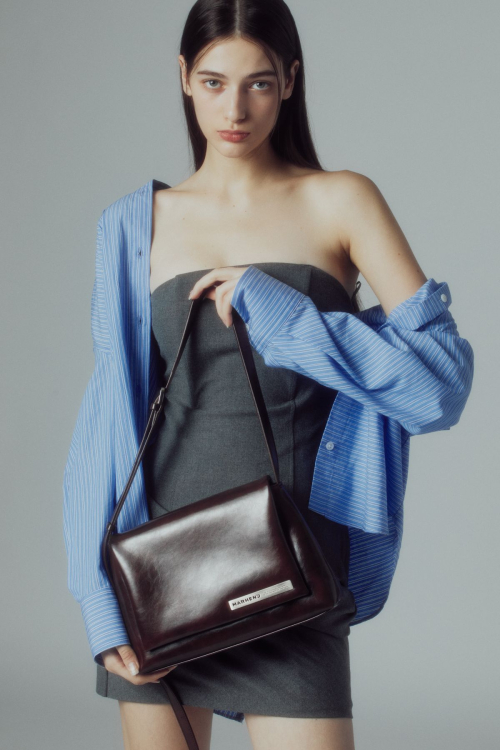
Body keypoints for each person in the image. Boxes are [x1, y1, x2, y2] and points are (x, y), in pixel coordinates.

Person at [62, 1, 474, 749]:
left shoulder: (342, 200)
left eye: (257, 82)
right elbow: (105, 424)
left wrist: (289, 320)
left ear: (290, 79)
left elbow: (438, 389)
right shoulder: (133, 224)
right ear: (183, 77)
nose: (235, 110)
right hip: (162, 571)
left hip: (292, 569)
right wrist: (98, 600)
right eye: (214, 82)